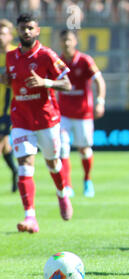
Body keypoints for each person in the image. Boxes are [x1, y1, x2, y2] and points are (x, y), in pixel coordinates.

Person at [1, 13, 73, 233]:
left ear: (37, 30)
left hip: (46, 119)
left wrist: (46, 82)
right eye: (23, 28)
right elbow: (12, 80)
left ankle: (62, 194)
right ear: (18, 31)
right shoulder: (11, 56)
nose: (26, 32)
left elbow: (67, 84)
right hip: (21, 119)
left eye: (30, 28)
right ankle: (30, 216)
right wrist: (5, 80)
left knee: (53, 163)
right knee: (25, 164)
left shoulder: (47, 55)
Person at [57, 29, 106, 198]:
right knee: (62, 148)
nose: (66, 43)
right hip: (62, 114)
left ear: (75, 41)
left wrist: (100, 101)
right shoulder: (57, 62)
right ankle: (67, 185)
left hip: (83, 113)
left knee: (84, 150)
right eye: (64, 40)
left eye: (69, 40)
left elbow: (99, 80)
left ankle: (87, 180)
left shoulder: (85, 60)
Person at [0, 19, 18, 193]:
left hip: (9, 108)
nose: (0, 37)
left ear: (10, 36)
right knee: (5, 146)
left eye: (3, 33)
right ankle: (15, 170)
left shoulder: (16, 54)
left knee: (1, 142)